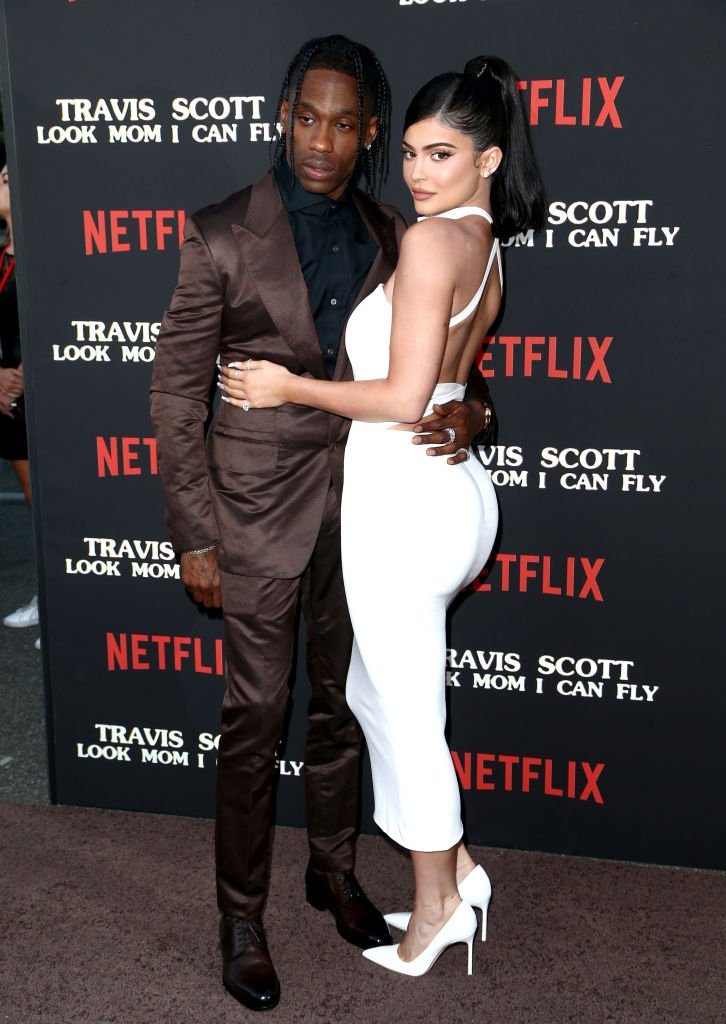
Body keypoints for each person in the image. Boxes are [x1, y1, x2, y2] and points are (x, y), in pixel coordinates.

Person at [150, 36, 495, 1010]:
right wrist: (196, 534)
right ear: (283, 116)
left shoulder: (397, 230)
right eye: (308, 116)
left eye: (345, 123)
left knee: (347, 707)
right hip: (254, 516)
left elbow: (432, 363)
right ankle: (242, 917)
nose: (322, 138)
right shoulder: (220, 232)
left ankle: (335, 872)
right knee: (256, 720)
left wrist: (479, 410)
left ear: (370, 132)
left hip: (373, 510)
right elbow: (176, 393)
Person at [218, 54, 545, 978]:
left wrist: (289, 385)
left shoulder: (433, 241)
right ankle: (460, 871)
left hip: (405, 497)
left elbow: (403, 396)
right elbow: (447, 381)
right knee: (373, 694)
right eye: (407, 152)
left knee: (405, 708)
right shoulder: (480, 240)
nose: (416, 172)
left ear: (487, 160)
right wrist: (470, 406)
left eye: (442, 154)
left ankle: (439, 906)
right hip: (448, 490)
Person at [0, 159, 38, 635]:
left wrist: (26, 375)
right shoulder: (3, 255)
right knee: (36, 512)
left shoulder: (37, 252)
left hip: (41, 398)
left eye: (11, 176)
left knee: (54, 509)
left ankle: (59, 610)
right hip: (8, 402)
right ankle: (47, 599)